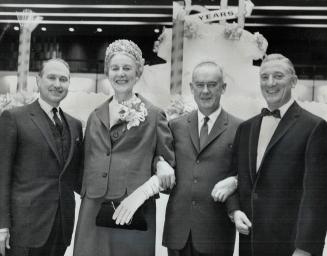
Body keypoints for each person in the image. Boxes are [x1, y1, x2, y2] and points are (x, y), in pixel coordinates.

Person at [73, 39, 175, 256]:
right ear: (107, 72)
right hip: (93, 207)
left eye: (127, 68)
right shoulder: (94, 115)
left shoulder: (155, 115)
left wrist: (159, 168)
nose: (121, 73)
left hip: (134, 210)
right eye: (115, 68)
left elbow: (168, 166)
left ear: (138, 72)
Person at [231, 54, 327, 256]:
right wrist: (235, 210)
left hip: (290, 247)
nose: (270, 83)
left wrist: (305, 249)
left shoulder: (315, 127)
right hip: (250, 244)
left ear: (293, 81)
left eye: (278, 76)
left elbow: (317, 196)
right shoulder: (245, 128)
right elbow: (234, 178)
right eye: (264, 77)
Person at [0, 58, 83, 256]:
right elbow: (2, 176)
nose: (57, 84)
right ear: (38, 80)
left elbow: (78, 176)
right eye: (51, 77)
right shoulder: (14, 118)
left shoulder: (75, 125)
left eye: (63, 79)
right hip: (23, 229)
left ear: (69, 83)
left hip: (61, 228)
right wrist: (2, 225)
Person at [163, 61, 240, 256]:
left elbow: (246, 173)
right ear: (191, 88)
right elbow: (161, 161)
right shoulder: (175, 126)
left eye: (212, 85)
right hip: (178, 232)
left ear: (223, 88)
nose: (205, 91)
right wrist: (158, 163)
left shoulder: (240, 128)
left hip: (216, 232)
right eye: (199, 85)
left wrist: (236, 181)